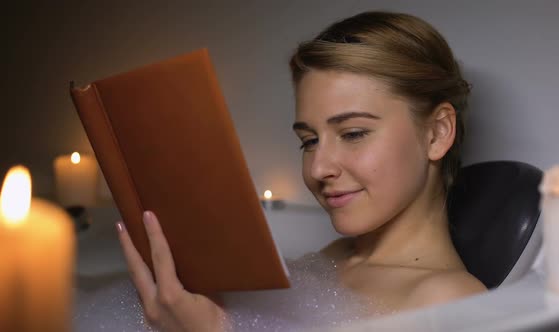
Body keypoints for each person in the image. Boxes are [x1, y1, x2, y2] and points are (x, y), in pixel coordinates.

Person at [116, 11, 487, 332]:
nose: (319, 167)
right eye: (309, 141)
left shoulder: (449, 303)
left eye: (353, 133)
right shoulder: (334, 260)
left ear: (437, 133)